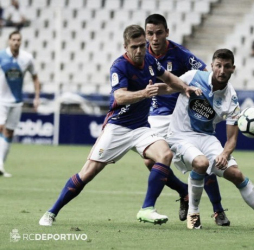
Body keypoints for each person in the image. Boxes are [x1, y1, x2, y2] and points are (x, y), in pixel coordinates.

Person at [39, 25, 201, 226]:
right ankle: (51, 212)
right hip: (118, 127)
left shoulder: (150, 60)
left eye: (143, 45)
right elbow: (120, 96)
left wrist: (185, 87)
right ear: (126, 47)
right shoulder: (119, 66)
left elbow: (168, 78)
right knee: (88, 172)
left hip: (141, 127)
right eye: (135, 47)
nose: (140, 51)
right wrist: (144, 93)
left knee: (164, 155)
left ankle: (147, 208)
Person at [166, 48, 254, 231]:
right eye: (218, 66)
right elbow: (169, 85)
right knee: (201, 163)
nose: (222, 71)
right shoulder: (193, 76)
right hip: (180, 136)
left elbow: (232, 139)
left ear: (233, 68)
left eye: (226, 67)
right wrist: (147, 91)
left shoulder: (231, 98)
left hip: (206, 138)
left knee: (237, 174)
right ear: (212, 66)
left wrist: (224, 154)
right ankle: (193, 213)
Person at [144, 14, 230, 226]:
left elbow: (207, 74)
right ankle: (183, 191)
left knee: (199, 163)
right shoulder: (140, 53)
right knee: (150, 160)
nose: (154, 38)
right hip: (157, 115)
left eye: (159, 33)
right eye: (150, 33)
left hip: (182, 115)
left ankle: (218, 210)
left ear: (167, 33)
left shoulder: (180, 54)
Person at [0, 30, 40, 177]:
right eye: (13, 40)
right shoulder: (1, 56)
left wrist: (37, 96)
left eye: (18, 40)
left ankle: (1, 166)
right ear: (9, 41)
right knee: (1, 128)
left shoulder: (27, 58)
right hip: (1, 100)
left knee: (9, 132)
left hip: (16, 101)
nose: (16, 42)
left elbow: (35, 77)